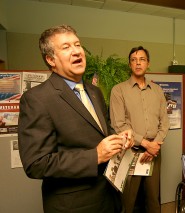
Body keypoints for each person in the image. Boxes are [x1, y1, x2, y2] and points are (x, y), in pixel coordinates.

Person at [18, 25, 133, 213]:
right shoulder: (37, 99)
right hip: (74, 205)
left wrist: (119, 138)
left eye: (77, 44)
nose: (76, 51)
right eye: (66, 47)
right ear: (50, 59)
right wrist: (94, 156)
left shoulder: (94, 91)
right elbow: (36, 164)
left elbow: (100, 133)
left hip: (109, 198)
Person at [109, 46, 169, 213]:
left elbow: (164, 122)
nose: (138, 63)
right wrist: (144, 143)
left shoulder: (157, 91)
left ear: (148, 64)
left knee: (153, 200)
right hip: (131, 151)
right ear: (129, 65)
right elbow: (119, 124)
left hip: (154, 153)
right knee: (128, 201)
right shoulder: (118, 90)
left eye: (142, 59)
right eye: (134, 60)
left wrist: (154, 145)